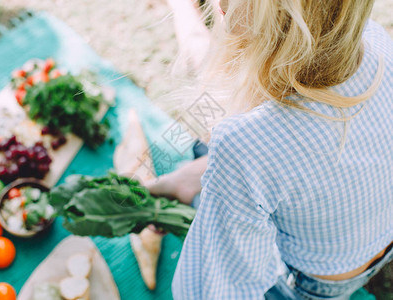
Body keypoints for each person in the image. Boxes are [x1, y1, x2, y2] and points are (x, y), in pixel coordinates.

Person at [146, 0, 393, 299]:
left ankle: (193, 177)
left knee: (216, 146)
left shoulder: (243, 141)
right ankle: (190, 177)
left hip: (311, 287)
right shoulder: (376, 40)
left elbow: (217, 288)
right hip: (382, 240)